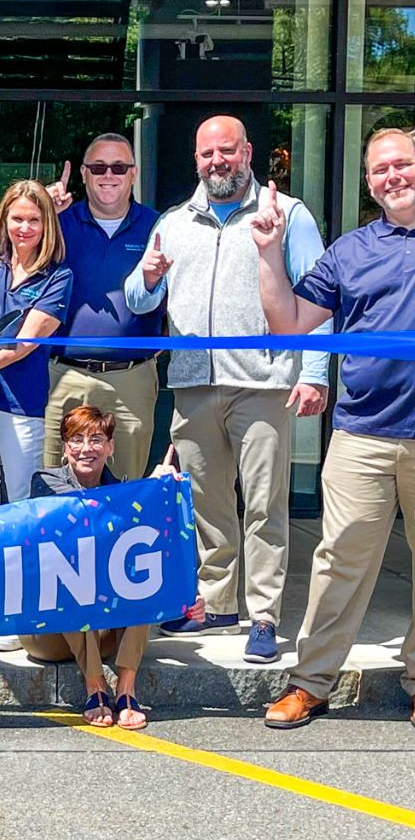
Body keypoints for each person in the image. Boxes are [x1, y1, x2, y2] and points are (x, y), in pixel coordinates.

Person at [124, 115, 330, 665]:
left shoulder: (286, 214)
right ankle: (217, 603)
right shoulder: (173, 221)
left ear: (248, 152)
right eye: (208, 153)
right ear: (196, 160)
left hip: (262, 382)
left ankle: (262, 616)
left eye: (228, 152)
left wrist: (314, 373)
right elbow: (139, 301)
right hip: (192, 383)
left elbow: (319, 299)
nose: (218, 162)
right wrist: (145, 277)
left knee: (264, 505)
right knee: (206, 503)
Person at [256, 128, 415, 729]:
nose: (392, 176)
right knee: (339, 561)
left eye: (402, 164)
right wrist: (269, 251)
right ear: (369, 181)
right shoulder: (350, 250)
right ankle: (311, 682)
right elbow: (289, 324)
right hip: (364, 432)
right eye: (381, 169)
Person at [22, 405, 202, 729]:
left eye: (96, 439)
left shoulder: (127, 493)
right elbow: (80, 522)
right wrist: (146, 490)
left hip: (104, 634)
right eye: (76, 439)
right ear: (64, 448)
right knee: (70, 574)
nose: (86, 448)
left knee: (142, 573)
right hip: (48, 632)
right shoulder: (45, 483)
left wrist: (161, 492)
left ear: (110, 447)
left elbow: (157, 546)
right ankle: (95, 688)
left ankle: (126, 690)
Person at [44, 133, 162, 481]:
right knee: (53, 489)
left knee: (126, 493)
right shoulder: (59, 223)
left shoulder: (158, 226)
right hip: (62, 375)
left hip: (131, 378)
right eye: (98, 167)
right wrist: (43, 209)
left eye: (118, 167)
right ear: (83, 173)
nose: (108, 174)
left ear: (133, 174)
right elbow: (12, 261)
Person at [0, 179, 72, 510]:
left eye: (34, 220)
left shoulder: (58, 276)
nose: (24, 227)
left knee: (24, 498)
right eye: (17, 218)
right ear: (2, 220)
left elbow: (27, 341)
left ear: (47, 224)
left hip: (21, 403)